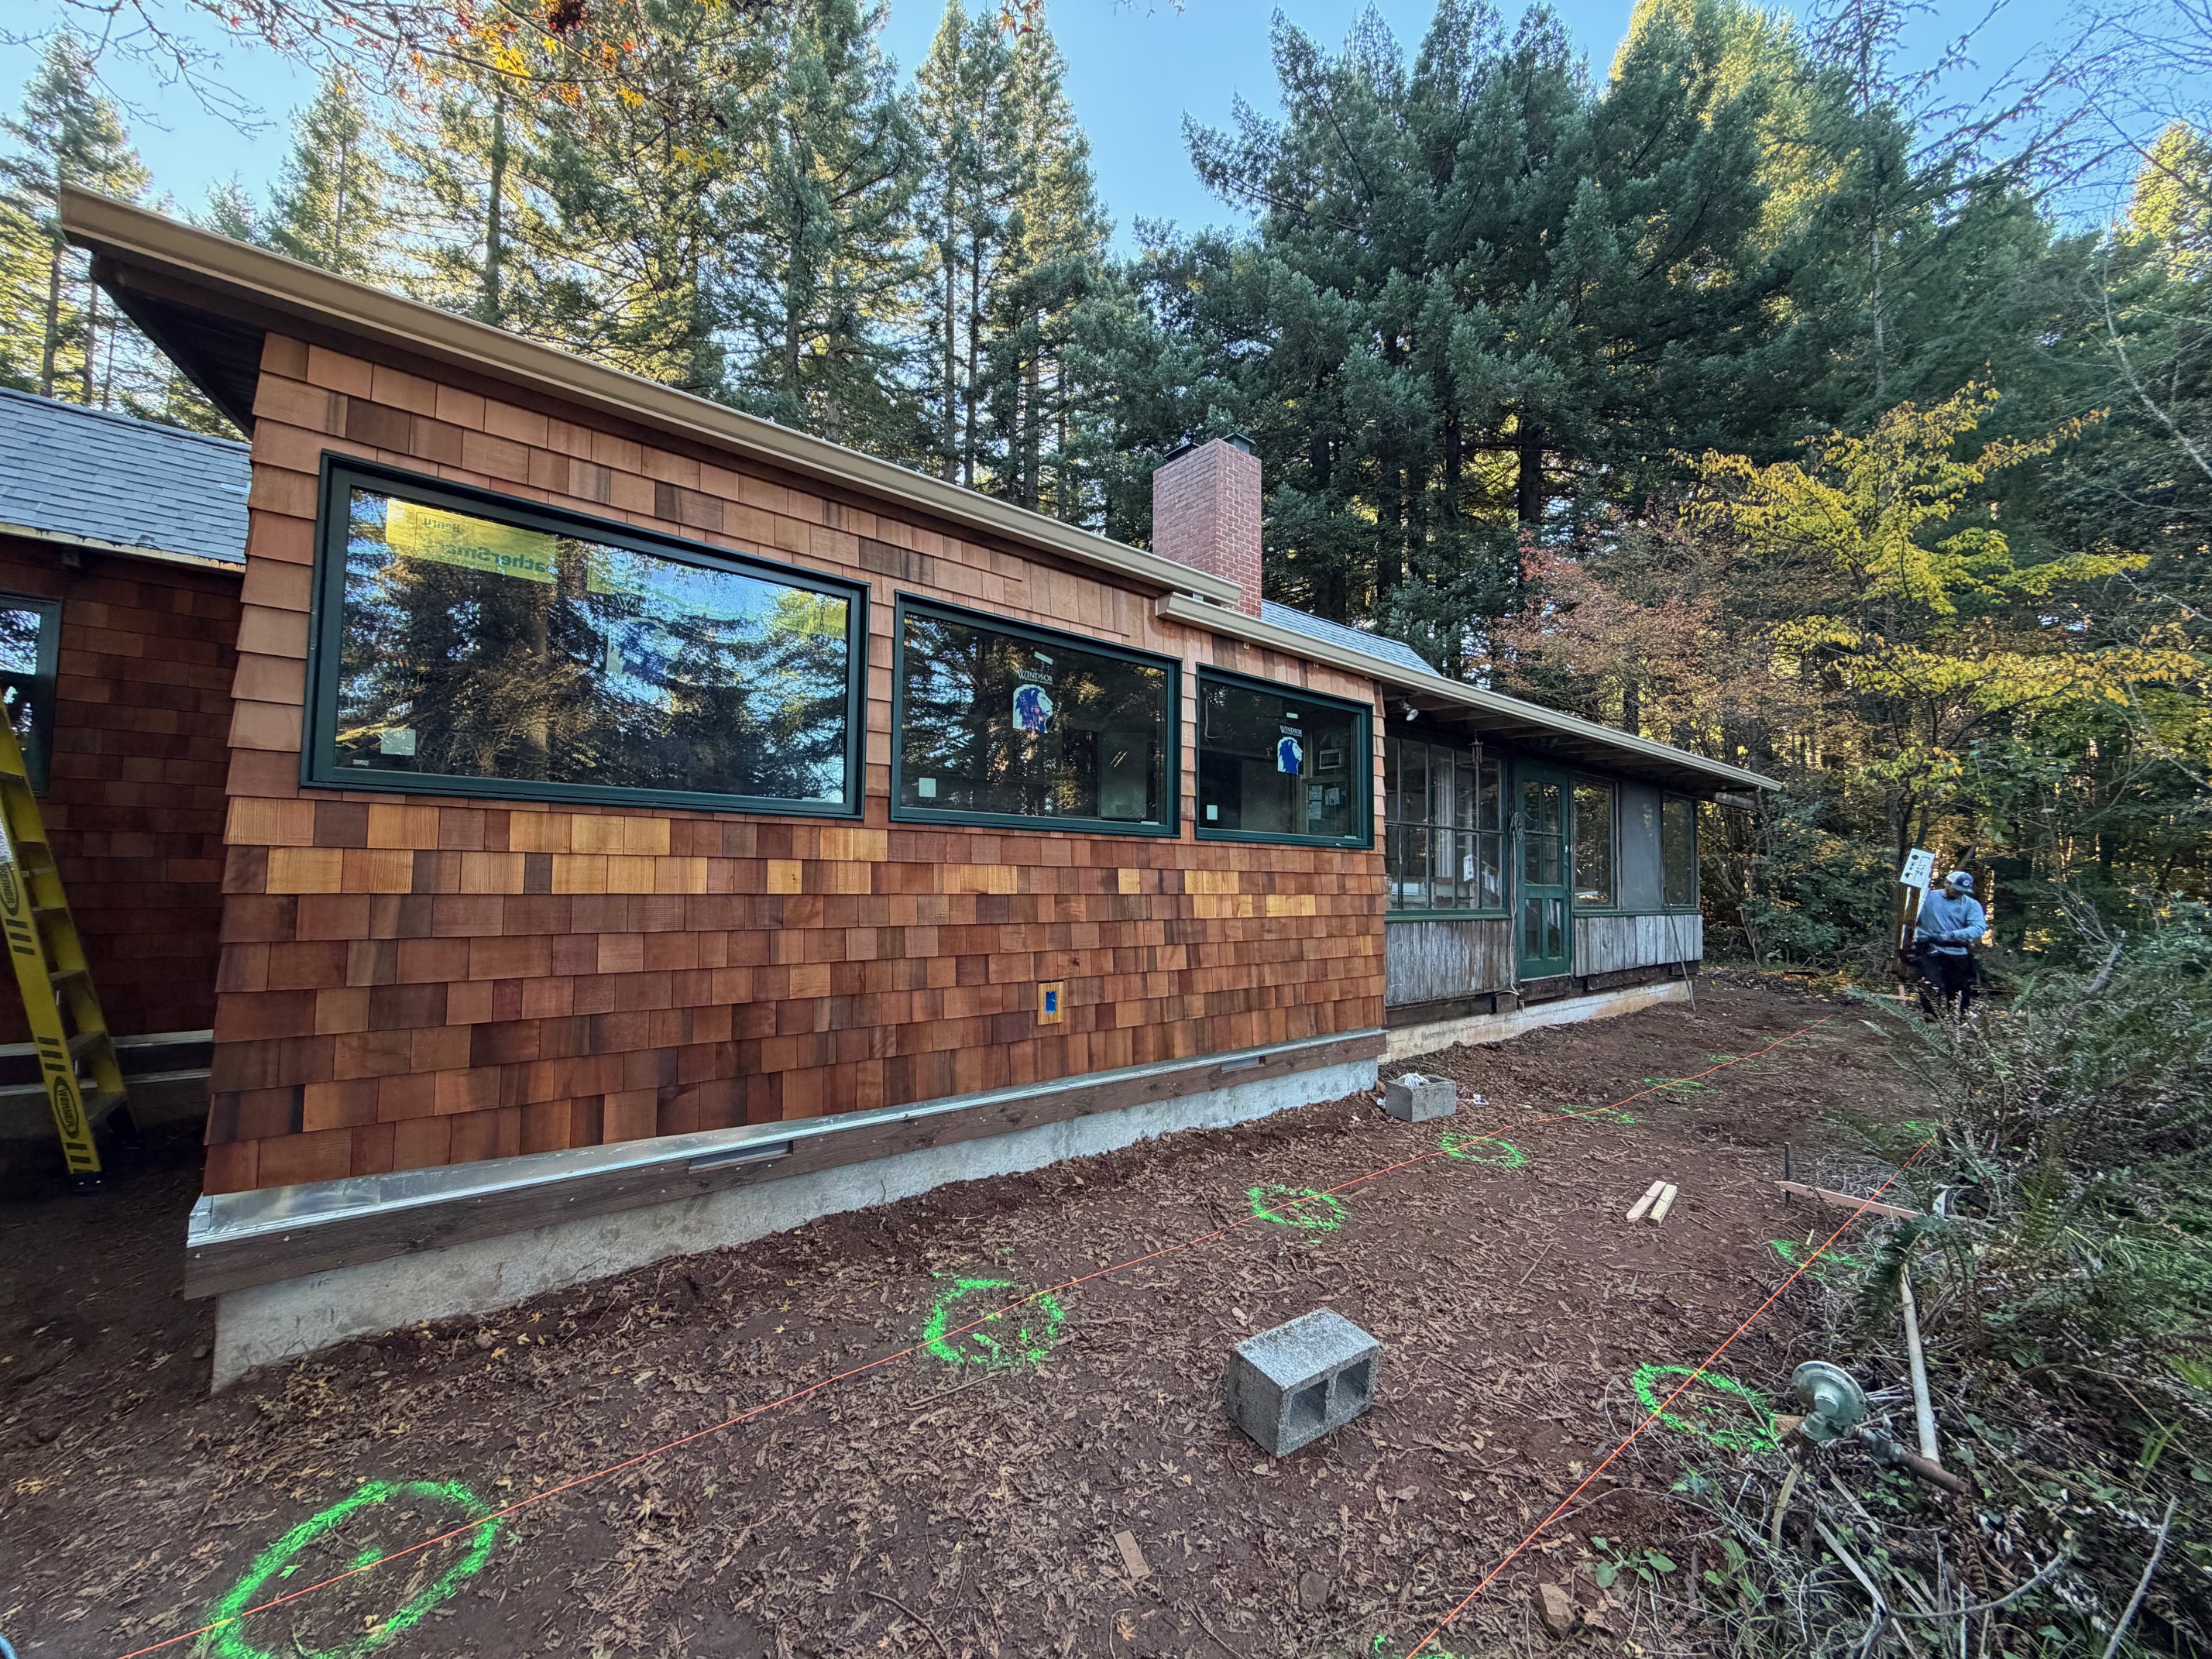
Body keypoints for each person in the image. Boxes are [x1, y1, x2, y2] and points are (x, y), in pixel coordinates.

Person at [1914, 870, 1986, 1020]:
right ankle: (1931, 1019)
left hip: (1957, 951)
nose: (1960, 893)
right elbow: (1911, 916)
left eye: (1963, 891)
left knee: (1959, 990)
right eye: (1957, 889)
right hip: (1929, 948)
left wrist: (1953, 934)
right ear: (1947, 883)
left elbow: (1978, 928)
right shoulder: (1927, 898)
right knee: (1929, 985)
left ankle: (1957, 1021)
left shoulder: (1971, 905)